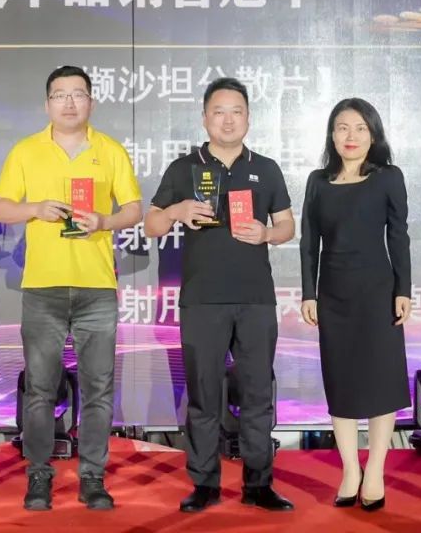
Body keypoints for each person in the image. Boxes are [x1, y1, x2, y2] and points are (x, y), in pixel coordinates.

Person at [0, 65, 142, 511]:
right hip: (43, 287)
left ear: (91, 102)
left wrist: (105, 220)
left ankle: (92, 478)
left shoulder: (110, 150)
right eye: (61, 95)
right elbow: (0, 208)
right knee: (40, 389)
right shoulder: (26, 151)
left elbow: (134, 209)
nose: (70, 103)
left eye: (78, 94)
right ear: (47, 104)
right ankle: (39, 476)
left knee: (99, 389)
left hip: (97, 286)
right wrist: (35, 209)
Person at [145, 77, 295, 513]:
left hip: (255, 300)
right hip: (202, 300)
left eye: (236, 112)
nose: (228, 120)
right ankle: (204, 483)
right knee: (203, 396)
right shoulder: (183, 168)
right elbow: (152, 224)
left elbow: (287, 225)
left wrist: (267, 233)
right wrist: (176, 211)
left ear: (248, 118)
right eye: (219, 111)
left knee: (257, 394)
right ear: (204, 117)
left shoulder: (266, 168)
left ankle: (259, 484)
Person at [299, 98, 412, 512]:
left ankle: (376, 470)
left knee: (381, 380)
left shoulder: (388, 178)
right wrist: (309, 293)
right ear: (332, 134)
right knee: (341, 380)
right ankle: (350, 469)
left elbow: (398, 235)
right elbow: (309, 242)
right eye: (343, 127)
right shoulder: (317, 181)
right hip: (333, 294)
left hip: (378, 292)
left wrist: (403, 289)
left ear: (373, 134)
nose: (351, 136)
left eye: (361, 128)